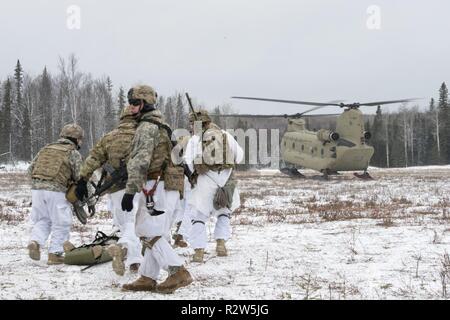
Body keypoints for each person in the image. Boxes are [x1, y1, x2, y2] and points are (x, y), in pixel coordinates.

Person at [120, 85, 192, 293]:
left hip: (156, 185)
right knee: (155, 231)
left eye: (134, 103)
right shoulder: (164, 126)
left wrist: (130, 190)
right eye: (130, 103)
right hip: (170, 185)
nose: (130, 107)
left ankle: (177, 271)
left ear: (144, 104)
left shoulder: (146, 127)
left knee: (146, 230)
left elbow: (140, 161)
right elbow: (179, 157)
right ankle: (147, 277)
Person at [75, 105, 142, 275]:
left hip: (116, 189)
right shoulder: (143, 134)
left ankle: (132, 258)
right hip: (141, 186)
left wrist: (83, 179)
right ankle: (128, 255)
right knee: (135, 224)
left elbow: (93, 159)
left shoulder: (109, 137)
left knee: (125, 223)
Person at [184, 110, 243, 263]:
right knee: (224, 212)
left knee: (199, 216)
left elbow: (189, 162)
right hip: (225, 179)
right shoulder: (224, 134)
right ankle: (221, 244)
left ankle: (199, 251)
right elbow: (240, 155)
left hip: (205, 179)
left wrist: (196, 175)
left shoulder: (195, 139)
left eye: (192, 123)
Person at [27, 124, 84, 265]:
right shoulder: (73, 152)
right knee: (61, 222)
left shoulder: (45, 149)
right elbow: (81, 177)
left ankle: (35, 242)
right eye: (81, 139)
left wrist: (39, 184)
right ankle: (55, 254)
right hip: (57, 190)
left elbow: (30, 170)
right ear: (76, 139)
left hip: (36, 189)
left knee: (43, 219)